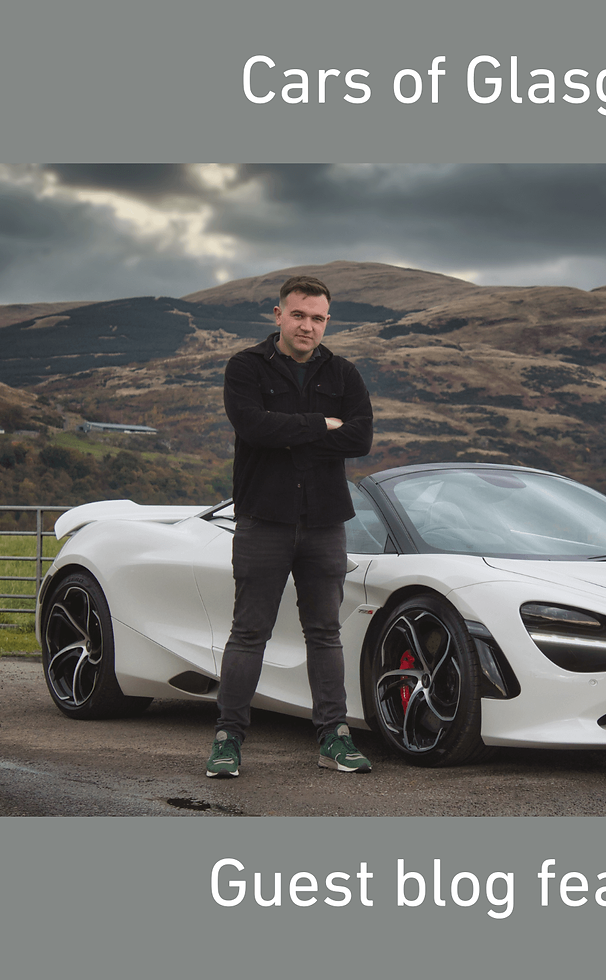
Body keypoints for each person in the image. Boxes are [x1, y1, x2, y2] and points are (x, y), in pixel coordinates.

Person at [206, 274, 374, 777]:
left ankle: (334, 739)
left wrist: (288, 431)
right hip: (263, 521)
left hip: (325, 523)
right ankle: (227, 739)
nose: (307, 325)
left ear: (328, 321)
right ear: (277, 315)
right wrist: (322, 424)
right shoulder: (246, 367)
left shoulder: (343, 374)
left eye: (317, 317)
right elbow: (253, 427)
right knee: (248, 633)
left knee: (324, 633)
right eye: (298, 314)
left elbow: (360, 439)